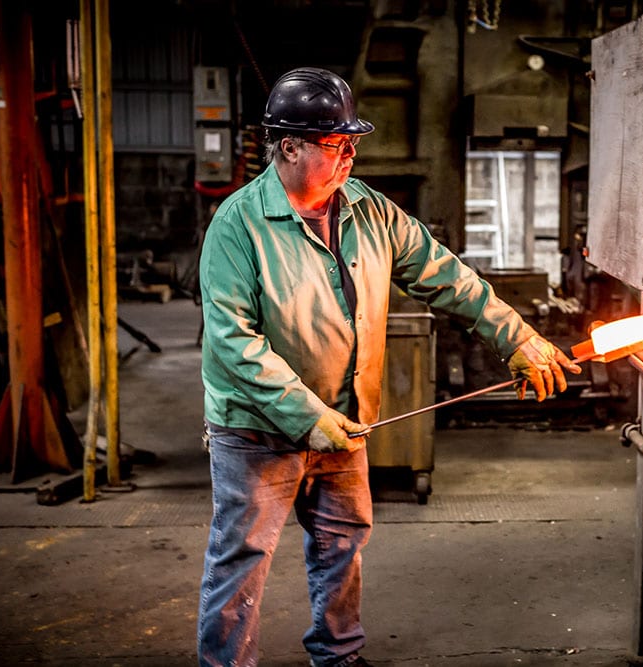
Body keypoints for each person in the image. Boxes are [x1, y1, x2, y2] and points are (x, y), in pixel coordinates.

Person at [196, 66, 580, 667]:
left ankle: (339, 656)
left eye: (353, 143)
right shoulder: (238, 225)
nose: (349, 156)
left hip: (344, 423)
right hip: (258, 431)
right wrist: (305, 414)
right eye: (335, 145)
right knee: (241, 559)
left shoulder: (369, 211)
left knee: (341, 546)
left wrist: (518, 337)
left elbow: (448, 276)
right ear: (289, 146)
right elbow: (232, 342)